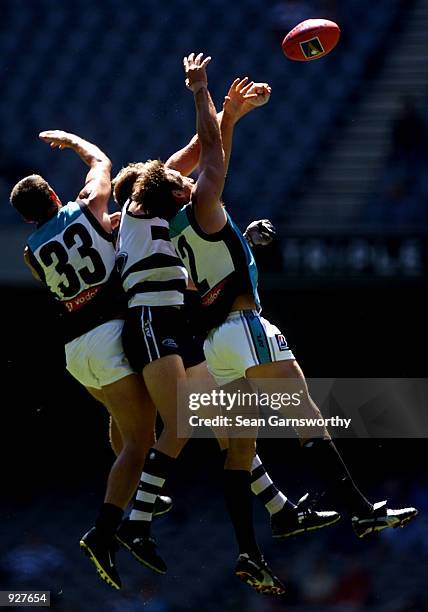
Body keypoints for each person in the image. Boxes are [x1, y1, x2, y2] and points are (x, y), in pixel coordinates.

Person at [131, 56, 419, 592]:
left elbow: (202, 172)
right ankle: (360, 509)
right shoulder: (199, 205)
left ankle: (246, 550)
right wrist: (204, 95)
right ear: (178, 191)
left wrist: (232, 118)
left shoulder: (165, 225)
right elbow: (211, 156)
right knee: (307, 415)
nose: (188, 175)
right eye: (181, 179)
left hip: (217, 342)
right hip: (245, 327)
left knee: (239, 447)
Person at [10, 131, 158, 591]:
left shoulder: (31, 252)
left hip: (75, 350)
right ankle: (106, 530)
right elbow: (102, 160)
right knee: (141, 438)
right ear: (55, 194)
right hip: (109, 332)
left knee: (123, 421)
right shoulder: (86, 203)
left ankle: (139, 493)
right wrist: (74, 143)